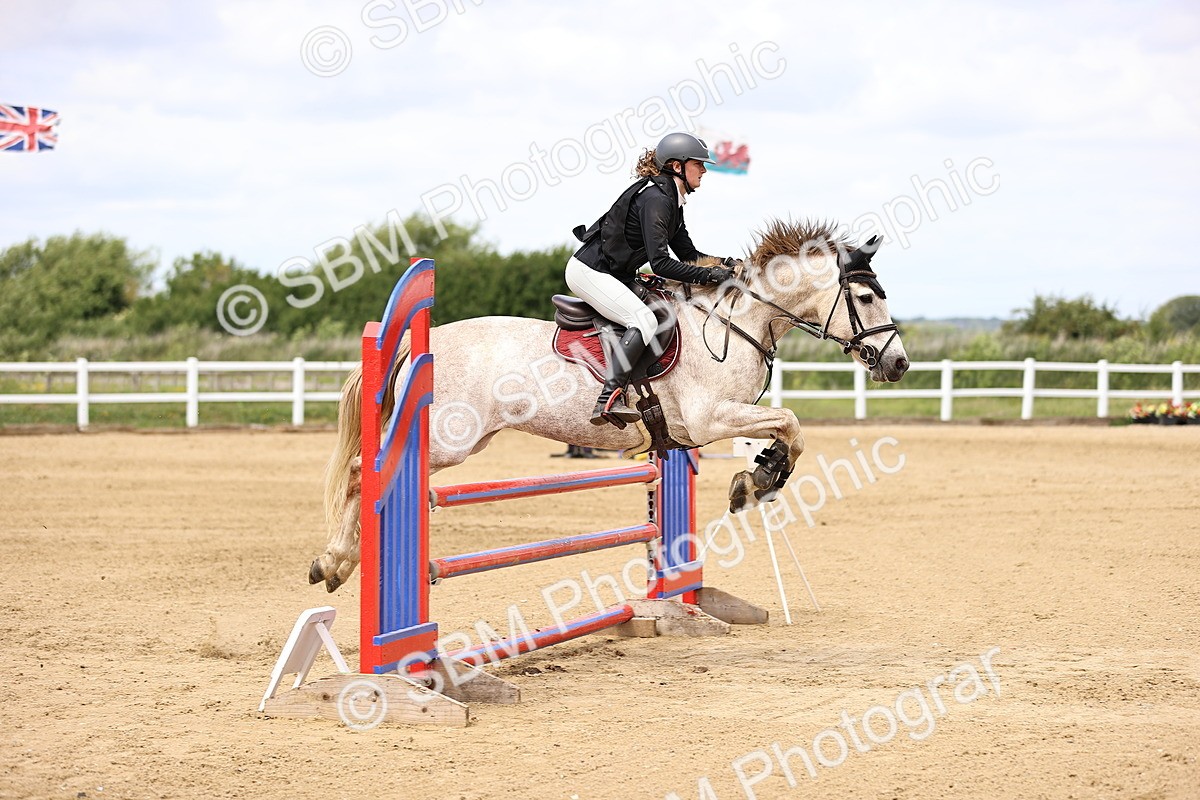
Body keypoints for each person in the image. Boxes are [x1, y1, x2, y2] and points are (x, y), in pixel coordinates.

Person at [566, 132, 738, 426]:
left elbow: (688, 254)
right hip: (589, 272)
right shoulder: (656, 199)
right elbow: (660, 264)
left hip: (615, 274)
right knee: (643, 320)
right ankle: (608, 398)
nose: (704, 170)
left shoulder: (671, 200)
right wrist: (709, 275)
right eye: (698, 164)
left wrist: (725, 263)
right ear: (677, 166)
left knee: (665, 308)